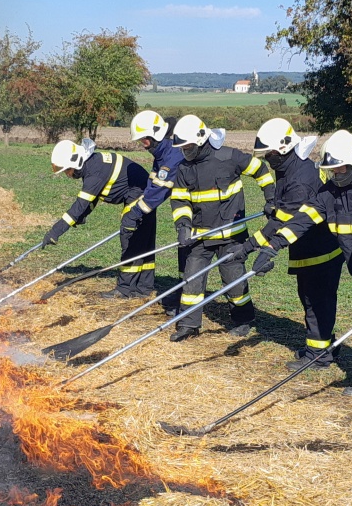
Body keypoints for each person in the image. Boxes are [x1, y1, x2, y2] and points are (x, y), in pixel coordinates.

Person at [248, 130, 352, 397]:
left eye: (340, 170)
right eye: (332, 171)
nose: (336, 175)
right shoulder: (328, 194)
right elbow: (302, 221)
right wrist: (272, 247)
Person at [167, 115, 278, 340]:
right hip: (200, 236)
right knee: (191, 279)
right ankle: (189, 324)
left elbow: (260, 169)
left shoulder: (229, 157)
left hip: (231, 236)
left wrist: (271, 197)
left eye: (188, 146)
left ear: (200, 141)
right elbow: (179, 199)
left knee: (234, 281)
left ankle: (243, 319)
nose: (185, 151)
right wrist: (183, 225)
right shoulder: (183, 168)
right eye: (182, 148)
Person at [251, 118, 342, 369]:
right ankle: (323, 344)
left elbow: (286, 221)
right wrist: (274, 207)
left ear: (283, 148)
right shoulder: (289, 168)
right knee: (309, 297)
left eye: (269, 153)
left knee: (317, 300)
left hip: (319, 248)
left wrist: (257, 247)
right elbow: (283, 209)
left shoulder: (299, 177)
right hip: (306, 245)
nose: (268, 158)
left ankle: (319, 355)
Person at [44, 138, 156, 298]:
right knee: (143, 241)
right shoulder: (92, 164)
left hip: (140, 194)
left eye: (67, 170)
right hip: (145, 191)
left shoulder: (93, 172)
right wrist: (82, 216)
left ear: (75, 162)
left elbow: (80, 205)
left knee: (130, 237)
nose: (68, 175)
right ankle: (143, 288)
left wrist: (55, 232)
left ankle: (124, 290)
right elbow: (92, 200)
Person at [130, 110, 186, 308]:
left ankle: (184, 299)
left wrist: (137, 211)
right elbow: (152, 183)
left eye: (144, 141)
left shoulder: (172, 155)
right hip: (184, 209)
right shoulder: (160, 153)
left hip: (198, 209)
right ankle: (182, 294)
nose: (143, 146)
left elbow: (160, 189)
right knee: (184, 251)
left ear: (154, 136)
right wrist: (140, 203)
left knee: (190, 253)